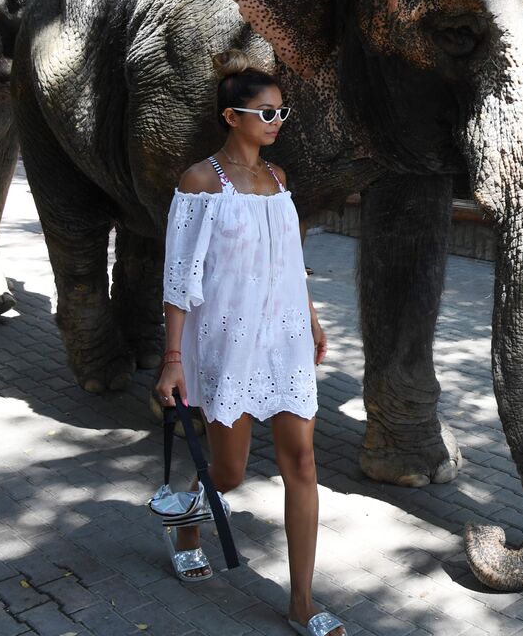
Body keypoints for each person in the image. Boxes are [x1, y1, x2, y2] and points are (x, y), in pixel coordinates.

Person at [156, 50, 346, 636]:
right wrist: (171, 361)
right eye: (264, 113)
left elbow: (291, 262)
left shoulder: (279, 180)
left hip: (284, 338)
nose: (276, 122)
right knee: (230, 473)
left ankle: (302, 603)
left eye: (280, 113)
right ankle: (185, 517)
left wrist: (311, 320)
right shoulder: (199, 182)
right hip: (229, 343)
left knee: (303, 464)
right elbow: (179, 278)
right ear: (230, 117)